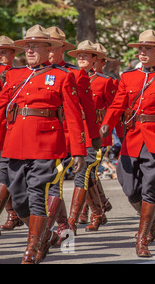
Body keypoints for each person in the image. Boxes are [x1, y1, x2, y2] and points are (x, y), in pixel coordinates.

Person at [0, 24, 86, 264]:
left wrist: (78, 151)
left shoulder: (63, 76)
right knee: (18, 196)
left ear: (49, 49)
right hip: (15, 143)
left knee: (37, 194)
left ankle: (32, 249)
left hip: (47, 144)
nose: (31, 50)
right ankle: (45, 234)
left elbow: (74, 116)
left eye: (36, 46)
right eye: (28, 46)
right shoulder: (15, 75)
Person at [99, 29, 155, 258]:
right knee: (129, 187)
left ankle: (142, 239)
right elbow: (118, 104)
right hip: (133, 138)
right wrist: (107, 123)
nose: (142, 52)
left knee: (149, 189)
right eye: (140, 49)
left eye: (147, 49)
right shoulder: (128, 77)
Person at [43, 28, 102, 249]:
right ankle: (62, 225)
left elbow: (87, 107)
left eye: (53, 45)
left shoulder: (75, 74)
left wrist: (94, 136)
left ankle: (68, 224)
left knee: (72, 179)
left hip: (73, 136)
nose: (48, 50)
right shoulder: (30, 73)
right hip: (47, 136)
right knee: (50, 184)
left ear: (62, 48)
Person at [63, 40, 113, 235]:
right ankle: (99, 211)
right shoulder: (70, 76)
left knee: (83, 173)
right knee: (88, 175)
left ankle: (72, 221)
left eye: (87, 55)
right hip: (75, 131)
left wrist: (106, 130)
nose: (82, 58)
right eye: (79, 54)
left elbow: (116, 108)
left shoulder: (105, 81)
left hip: (95, 133)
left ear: (97, 60)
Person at [0, 35, 24, 238]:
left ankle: (6, 216)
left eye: (4, 51)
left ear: (13, 54)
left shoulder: (18, 74)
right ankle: (13, 214)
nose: (0, 55)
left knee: (5, 172)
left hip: (11, 128)